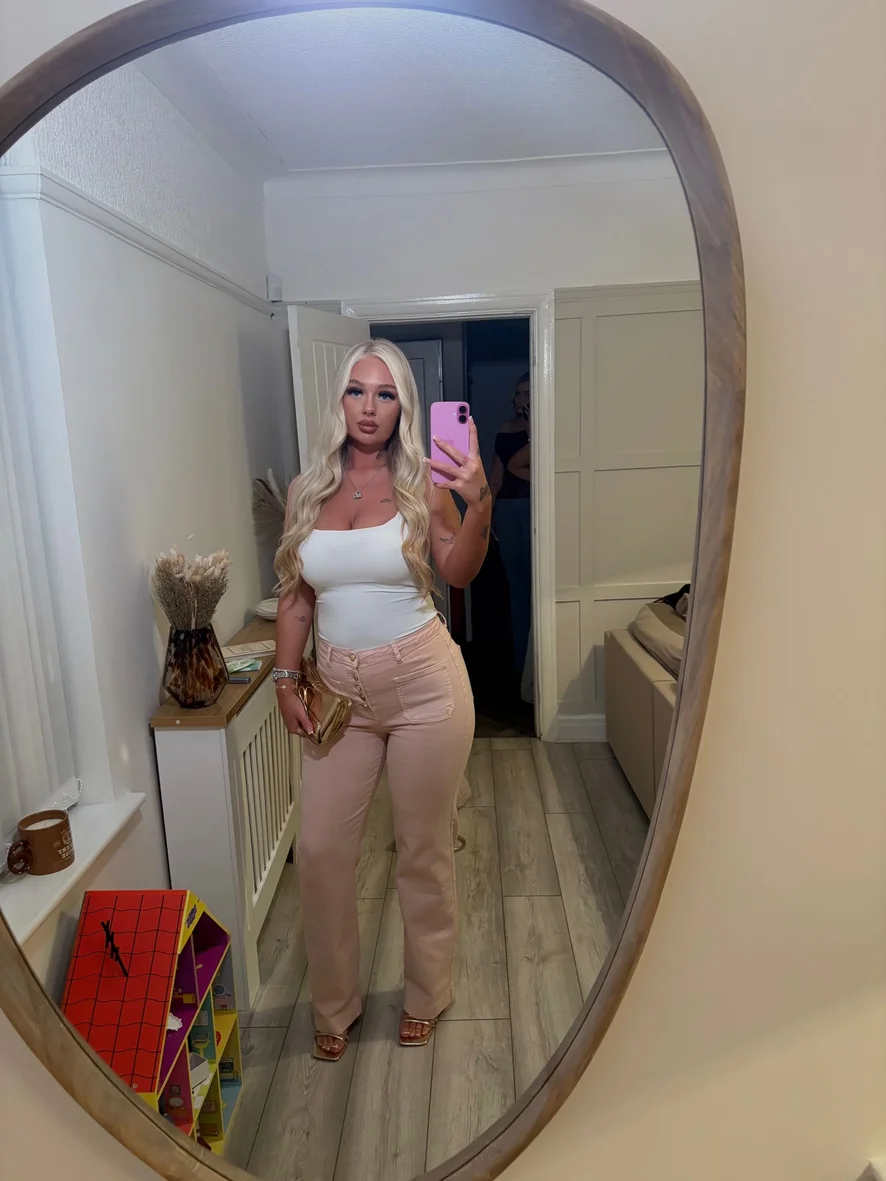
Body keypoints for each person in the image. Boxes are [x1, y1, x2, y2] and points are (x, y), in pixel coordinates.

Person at [273, 339, 491, 1063]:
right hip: (340, 695)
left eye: (386, 394)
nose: (369, 407)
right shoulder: (307, 490)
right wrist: (284, 678)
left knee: (422, 851)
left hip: (425, 686)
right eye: (357, 391)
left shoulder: (423, 482)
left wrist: (479, 502)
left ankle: (427, 993)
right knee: (321, 850)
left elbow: (458, 570)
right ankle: (335, 1004)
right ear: (340, 400)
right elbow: (296, 596)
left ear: (403, 406)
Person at [489, 373, 531, 680]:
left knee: (536, 583)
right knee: (516, 586)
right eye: (518, 393)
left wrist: (534, 427)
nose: (522, 398)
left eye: (528, 392)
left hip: (534, 508)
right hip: (506, 509)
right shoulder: (505, 428)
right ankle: (521, 662)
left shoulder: (545, 429)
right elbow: (496, 478)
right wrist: (486, 517)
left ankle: (538, 660)